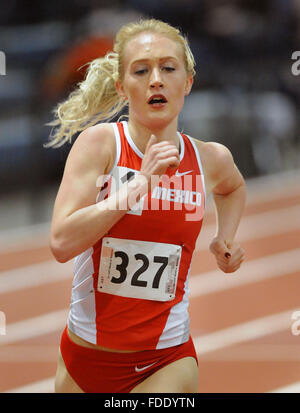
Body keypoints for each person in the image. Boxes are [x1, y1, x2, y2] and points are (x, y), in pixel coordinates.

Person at [47, 18, 246, 393]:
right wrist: (138, 185)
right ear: (123, 87)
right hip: (86, 359)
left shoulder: (209, 159)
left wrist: (226, 237)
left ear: (186, 83)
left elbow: (233, 188)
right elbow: (61, 242)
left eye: (168, 68)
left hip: (167, 359)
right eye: (141, 70)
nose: (156, 79)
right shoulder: (101, 146)